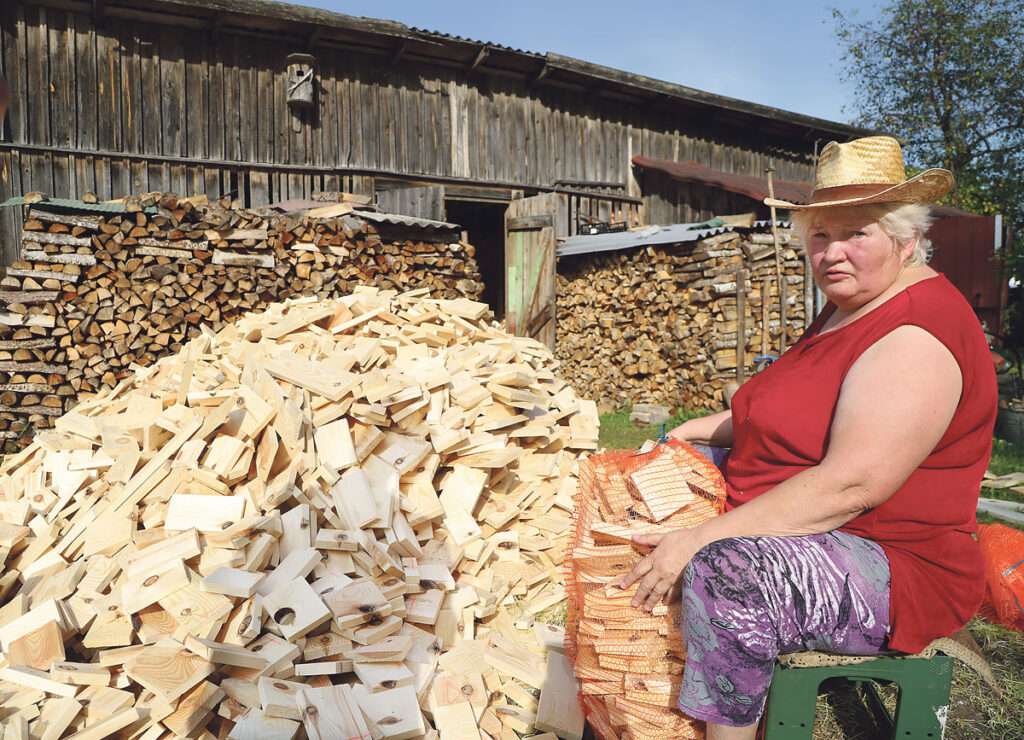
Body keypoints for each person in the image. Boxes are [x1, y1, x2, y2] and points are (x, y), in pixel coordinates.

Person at [618, 135, 996, 740]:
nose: (832, 253)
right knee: (633, 483)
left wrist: (699, 537)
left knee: (730, 569)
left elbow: (852, 485)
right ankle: (625, 684)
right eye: (820, 235)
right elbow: (786, 412)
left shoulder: (915, 333)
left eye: (856, 233)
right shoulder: (852, 303)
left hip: (889, 559)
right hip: (819, 524)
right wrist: (683, 434)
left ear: (906, 240)